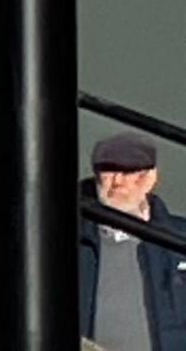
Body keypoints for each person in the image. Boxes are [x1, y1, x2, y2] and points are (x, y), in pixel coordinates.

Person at [80, 133, 186, 351]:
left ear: (149, 177)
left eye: (128, 171)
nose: (118, 182)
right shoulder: (69, 239)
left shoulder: (178, 239)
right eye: (108, 171)